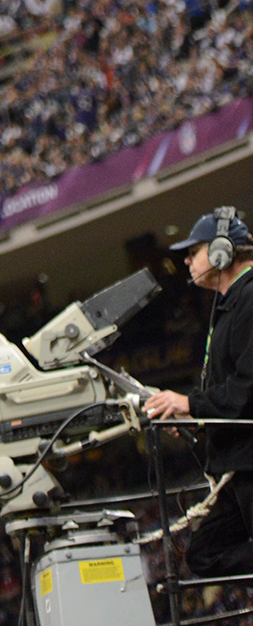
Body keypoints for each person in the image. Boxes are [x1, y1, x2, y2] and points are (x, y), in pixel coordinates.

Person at [145, 207, 253, 577]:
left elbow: (247, 390)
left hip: (248, 462)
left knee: (206, 553)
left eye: (195, 250)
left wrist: (190, 403)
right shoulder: (231, 302)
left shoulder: (251, 298)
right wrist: (194, 417)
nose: (187, 260)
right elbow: (229, 389)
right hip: (237, 463)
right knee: (203, 554)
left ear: (223, 250)